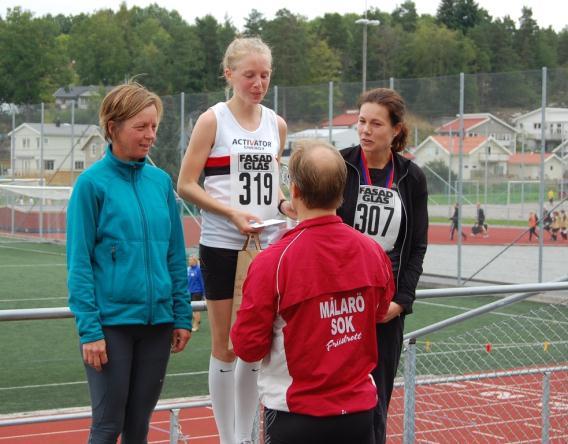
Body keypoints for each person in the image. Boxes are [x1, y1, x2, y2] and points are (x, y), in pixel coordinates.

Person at [231, 140, 395, 444]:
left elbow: (247, 347)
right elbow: (379, 312)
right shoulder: (373, 252)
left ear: (294, 192)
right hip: (359, 416)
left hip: (296, 416)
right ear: (342, 193)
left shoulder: (274, 261)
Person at [176, 37, 290, 444]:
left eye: (265, 75)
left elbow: (271, 187)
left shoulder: (276, 124)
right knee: (225, 345)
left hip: (268, 248)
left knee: (255, 345)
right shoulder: (213, 120)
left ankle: (247, 435)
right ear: (229, 75)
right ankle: (229, 438)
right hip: (224, 245)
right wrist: (230, 214)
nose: (258, 83)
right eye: (249, 75)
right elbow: (186, 184)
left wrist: (284, 204)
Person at [66, 82, 192, 443]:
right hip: (111, 328)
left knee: (139, 427)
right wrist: (90, 330)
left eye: (154, 126)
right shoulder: (91, 185)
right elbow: (79, 264)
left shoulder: (160, 182)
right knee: (108, 426)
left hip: (158, 325)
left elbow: (174, 255)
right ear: (113, 128)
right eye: (141, 127)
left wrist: (181, 315)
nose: (150, 135)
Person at [331, 88, 428, 443]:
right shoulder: (338, 166)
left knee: (376, 405)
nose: (365, 130)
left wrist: (401, 301)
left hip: (385, 310)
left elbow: (416, 245)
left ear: (396, 130)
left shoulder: (411, 177)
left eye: (375, 123)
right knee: (335, 402)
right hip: (340, 304)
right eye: (361, 121)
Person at [187, 255, 205, 332]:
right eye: (189, 260)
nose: (189, 261)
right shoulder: (188, 269)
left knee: (195, 310)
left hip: (197, 292)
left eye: (191, 260)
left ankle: (196, 326)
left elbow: (202, 281)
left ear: (194, 261)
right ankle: (198, 320)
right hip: (189, 292)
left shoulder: (198, 270)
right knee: (191, 309)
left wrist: (204, 293)